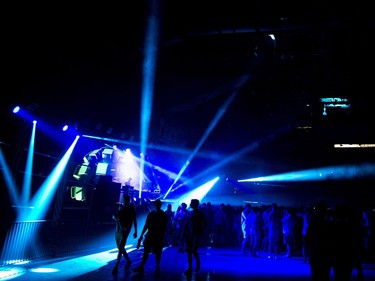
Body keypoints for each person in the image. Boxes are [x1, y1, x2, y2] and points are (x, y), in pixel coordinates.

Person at [133, 199, 168, 274]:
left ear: (159, 205)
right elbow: (146, 225)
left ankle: (156, 268)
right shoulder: (151, 214)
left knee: (157, 253)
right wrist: (141, 235)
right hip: (150, 235)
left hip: (157, 236)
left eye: (158, 204)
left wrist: (161, 237)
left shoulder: (163, 215)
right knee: (146, 252)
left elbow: (164, 227)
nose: (157, 205)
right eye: (156, 204)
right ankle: (143, 267)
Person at [111, 194, 137, 275]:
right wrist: (115, 217)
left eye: (126, 200)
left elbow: (134, 220)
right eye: (124, 200)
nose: (125, 202)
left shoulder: (131, 208)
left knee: (121, 246)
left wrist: (136, 231)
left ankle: (116, 266)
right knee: (120, 247)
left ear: (128, 201)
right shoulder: (121, 207)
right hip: (118, 229)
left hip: (125, 230)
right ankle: (128, 260)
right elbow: (114, 216)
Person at [181, 199, 207, 275]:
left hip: (195, 234)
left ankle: (197, 264)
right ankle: (190, 267)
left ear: (195, 204)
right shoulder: (190, 213)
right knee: (189, 251)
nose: (190, 204)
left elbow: (205, 223)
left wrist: (200, 232)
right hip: (189, 235)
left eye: (191, 203)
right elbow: (186, 224)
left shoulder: (199, 214)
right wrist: (183, 233)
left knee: (193, 251)